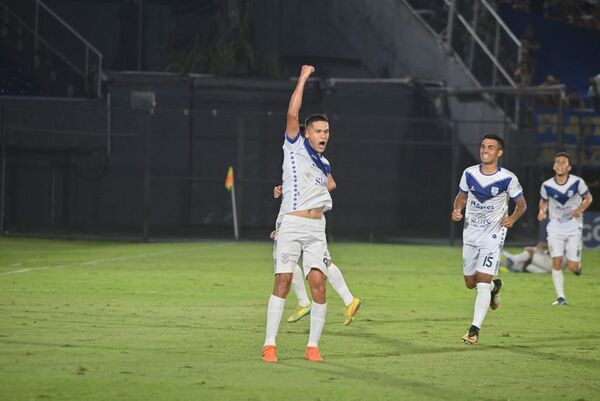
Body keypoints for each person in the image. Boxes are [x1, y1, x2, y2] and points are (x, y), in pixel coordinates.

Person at [263, 65, 333, 363]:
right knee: (283, 281)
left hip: (317, 229)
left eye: (327, 131)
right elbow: (292, 115)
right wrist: (303, 78)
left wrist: (286, 185)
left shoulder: (323, 162)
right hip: (292, 223)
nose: (323, 134)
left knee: (319, 284)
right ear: (306, 133)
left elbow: (327, 185)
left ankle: (313, 346)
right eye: (318, 130)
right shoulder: (294, 147)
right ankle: (270, 344)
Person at [451, 134, 527, 345]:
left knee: (482, 281)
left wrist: (512, 218)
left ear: (499, 153)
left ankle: (474, 330)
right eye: (483, 146)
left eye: (491, 147)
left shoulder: (508, 178)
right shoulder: (469, 173)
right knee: (470, 283)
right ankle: (495, 288)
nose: (485, 150)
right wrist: (457, 209)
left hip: (493, 235)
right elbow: (462, 197)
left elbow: (522, 205)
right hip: (471, 233)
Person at [271, 184, 361, 325]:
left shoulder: (312, 163)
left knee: (284, 260)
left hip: (299, 217)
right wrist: (286, 188)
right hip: (302, 215)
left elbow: (330, 183)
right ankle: (349, 300)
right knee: (321, 261)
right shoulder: (307, 165)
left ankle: (304, 302)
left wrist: (299, 190)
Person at [537, 152, 593, 305]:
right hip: (555, 226)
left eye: (563, 162)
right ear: (554, 166)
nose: (560, 164)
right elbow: (543, 201)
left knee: (572, 266)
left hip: (574, 226)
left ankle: (577, 267)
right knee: (557, 260)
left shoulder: (577, 182)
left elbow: (588, 198)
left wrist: (580, 209)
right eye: (557, 162)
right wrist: (542, 211)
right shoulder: (547, 185)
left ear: (569, 167)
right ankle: (560, 297)